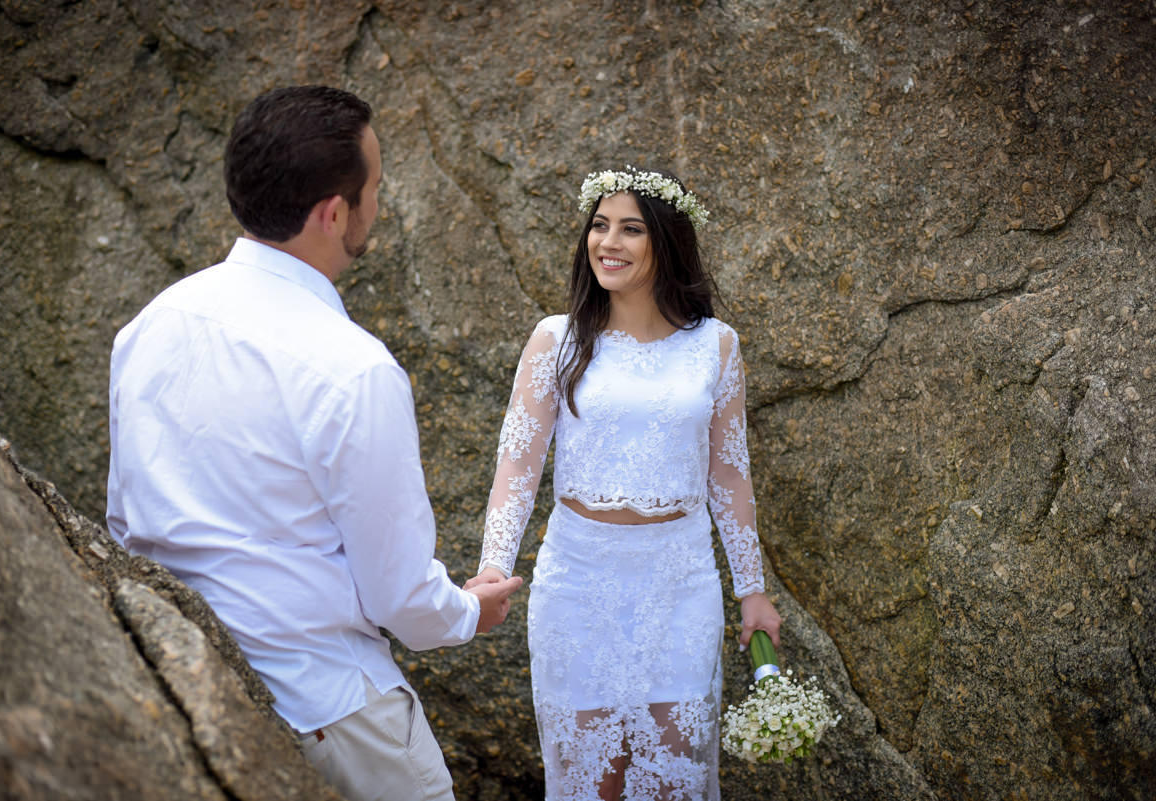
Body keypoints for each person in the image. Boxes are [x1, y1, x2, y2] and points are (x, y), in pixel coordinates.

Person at [106, 85, 523, 801]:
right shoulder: (352, 368)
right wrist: (468, 610)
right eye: (376, 190)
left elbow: (126, 522)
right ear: (334, 213)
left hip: (182, 679)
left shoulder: (149, 326)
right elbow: (398, 595)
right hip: (334, 711)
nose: (378, 206)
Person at [466, 165, 782, 800]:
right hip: (579, 582)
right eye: (600, 225)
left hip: (680, 581)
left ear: (665, 242)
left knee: (674, 777)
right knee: (593, 780)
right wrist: (493, 568)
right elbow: (518, 465)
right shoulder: (555, 340)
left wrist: (752, 591)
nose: (608, 242)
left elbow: (729, 474)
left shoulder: (716, 346)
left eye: (630, 229)